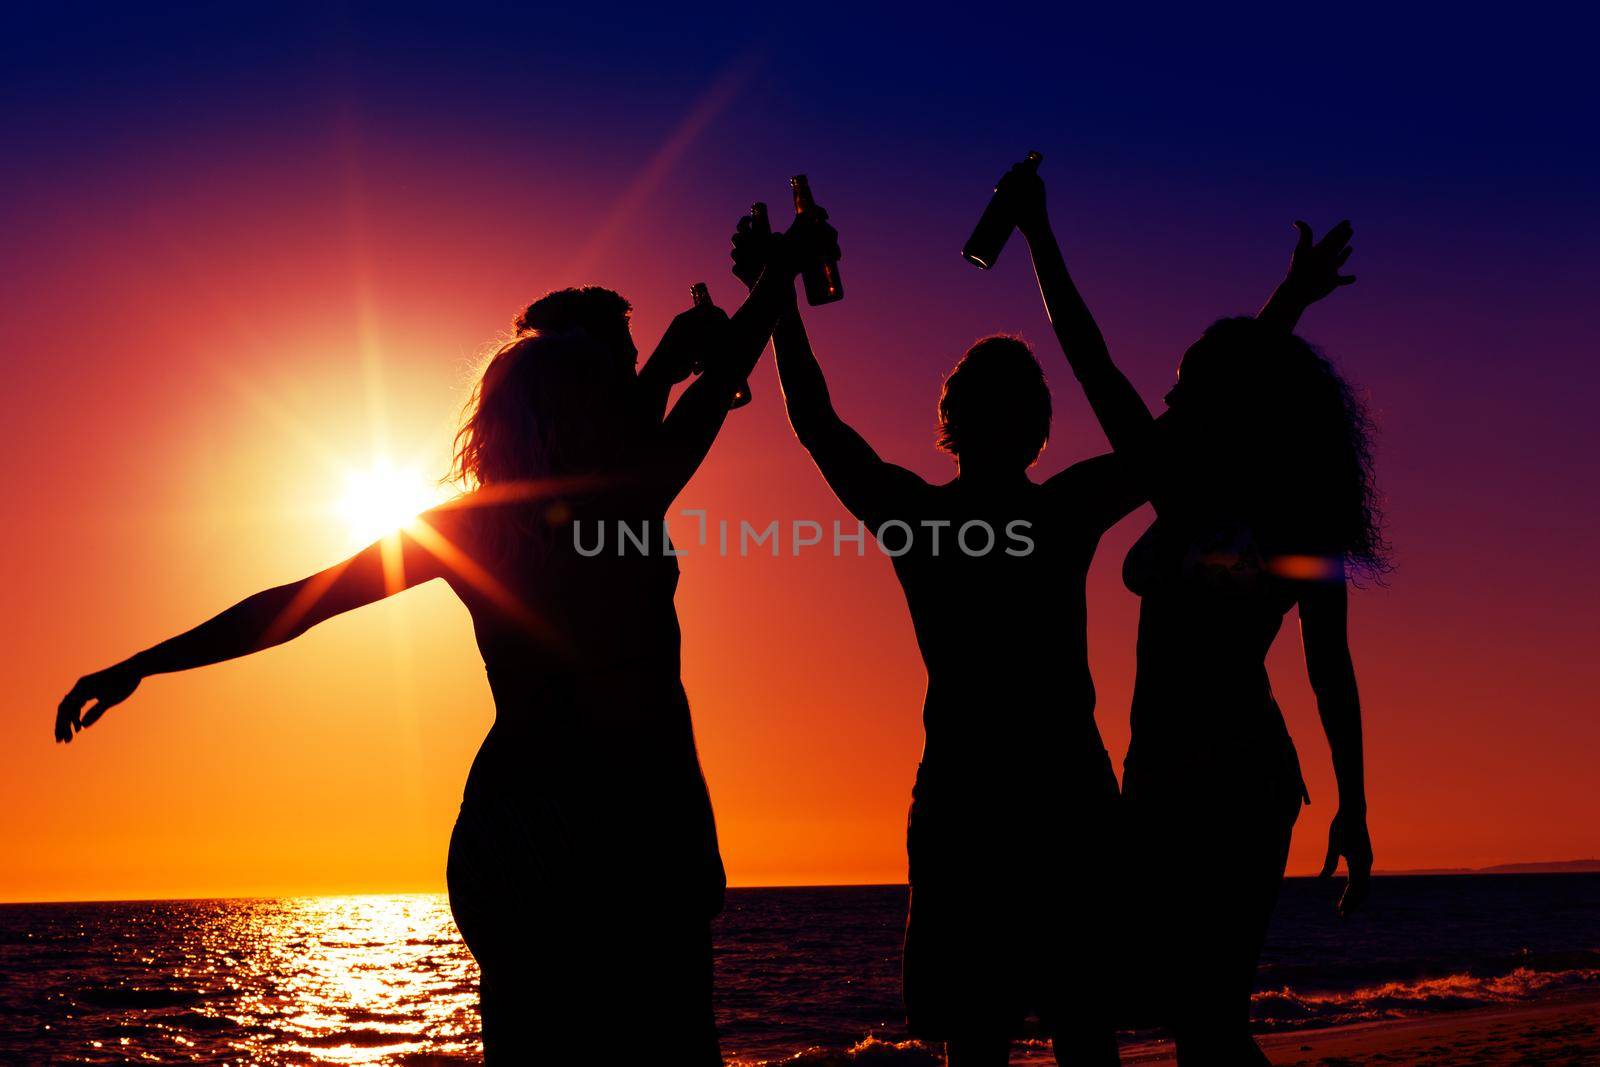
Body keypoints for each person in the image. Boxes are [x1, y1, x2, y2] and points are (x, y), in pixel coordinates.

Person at [54, 220, 838, 1064]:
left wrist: (142, 661)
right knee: (664, 1042)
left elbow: (291, 606)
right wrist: (778, 274)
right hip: (634, 824)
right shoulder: (632, 492)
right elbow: (724, 371)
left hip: (516, 830)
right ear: (587, 406)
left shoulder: (462, 528)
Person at [731, 212, 1139, 1066]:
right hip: (1066, 791)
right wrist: (1039, 239)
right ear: (1037, 424)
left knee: (976, 1039)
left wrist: (777, 294)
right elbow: (1130, 413)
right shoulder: (1058, 512)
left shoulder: (925, 520)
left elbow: (815, 421)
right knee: (1084, 1033)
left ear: (949, 420)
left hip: (965, 799)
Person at [1008, 161, 1379, 1064]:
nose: (1167, 401)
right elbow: (1329, 670)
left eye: (1182, 389)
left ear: (1221, 413)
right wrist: (1354, 806)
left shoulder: (1188, 495)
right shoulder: (1297, 516)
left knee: (1189, 1019)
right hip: (1250, 779)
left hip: (1193, 778)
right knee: (1208, 1019)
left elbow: (1089, 357)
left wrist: (1040, 235)